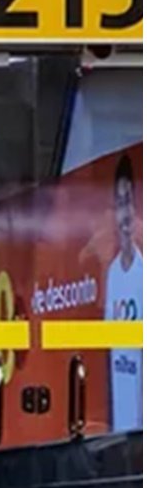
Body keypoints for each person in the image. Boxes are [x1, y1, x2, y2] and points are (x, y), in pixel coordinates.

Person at [105, 153, 142, 432]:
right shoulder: (113, 276)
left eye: (128, 201)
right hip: (120, 432)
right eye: (119, 203)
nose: (125, 213)